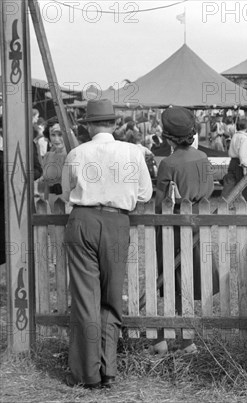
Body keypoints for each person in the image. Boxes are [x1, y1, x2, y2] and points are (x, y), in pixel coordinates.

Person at [61, 99, 153, 388]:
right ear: (115, 124)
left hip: (83, 221)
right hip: (116, 223)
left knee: (85, 299)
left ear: (88, 126)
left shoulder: (77, 153)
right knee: (112, 297)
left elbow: (66, 194)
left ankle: (87, 374)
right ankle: (108, 370)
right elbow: (145, 194)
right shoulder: (132, 152)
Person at [150, 106, 216, 355]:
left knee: (170, 284)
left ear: (167, 137)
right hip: (197, 225)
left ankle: (163, 340)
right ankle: (184, 340)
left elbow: (160, 203)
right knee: (187, 283)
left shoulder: (168, 163)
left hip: (172, 228)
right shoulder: (202, 157)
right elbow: (209, 189)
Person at [227, 118, 247, 209]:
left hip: (232, 162)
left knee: (231, 185)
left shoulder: (235, 135)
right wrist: (244, 166)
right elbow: (242, 153)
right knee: (245, 186)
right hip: (239, 163)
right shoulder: (244, 137)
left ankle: (226, 204)